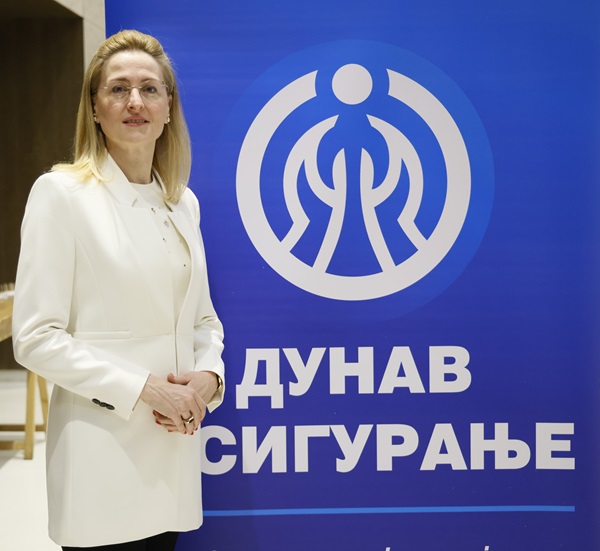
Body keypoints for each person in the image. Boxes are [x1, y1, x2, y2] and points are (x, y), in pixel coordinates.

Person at [12, 30, 225, 551]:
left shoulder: (183, 204)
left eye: (150, 89)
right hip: (101, 456)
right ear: (94, 107)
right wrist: (146, 389)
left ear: (169, 108)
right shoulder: (61, 195)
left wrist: (208, 379)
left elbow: (203, 320)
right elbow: (36, 338)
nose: (135, 101)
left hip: (173, 451)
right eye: (118, 88)